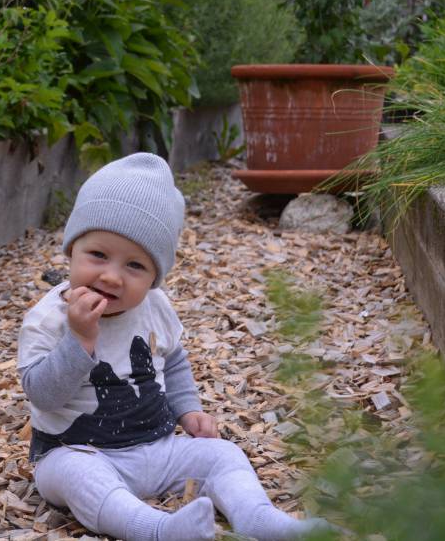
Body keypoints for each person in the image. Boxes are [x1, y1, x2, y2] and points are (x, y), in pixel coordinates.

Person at [17, 153, 332, 541]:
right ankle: (156, 530)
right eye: (98, 255)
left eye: (135, 266)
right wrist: (79, 339)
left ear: (154, 279)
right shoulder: (48, 319)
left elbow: (174, 360)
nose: (112, 276)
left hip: (158, 449)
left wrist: (189, 410)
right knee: (75, 476)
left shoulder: (155, 308)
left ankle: (258, 518)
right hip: (78, 451)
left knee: (223, 455)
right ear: (71, 251)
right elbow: (42, 396)